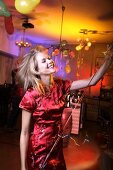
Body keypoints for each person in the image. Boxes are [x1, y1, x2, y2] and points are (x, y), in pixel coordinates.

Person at [17, 44, 113, 170]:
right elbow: (24, 133)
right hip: (39, 149)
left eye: (49, 58)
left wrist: (109, 59)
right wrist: (23, 167)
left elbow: (92, 81)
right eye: (44, 61)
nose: (50, 61)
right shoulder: (31, 94)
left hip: (57, 147)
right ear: (36, 69)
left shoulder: (60, 85)